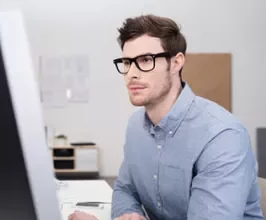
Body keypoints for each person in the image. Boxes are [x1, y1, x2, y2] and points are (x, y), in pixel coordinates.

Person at [68, 14, 264, 220]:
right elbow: (125, 189)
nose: (131, 73)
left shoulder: (222, 136)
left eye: (145, 60)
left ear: (176, 63)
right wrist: (129, 213)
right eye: (127, 62)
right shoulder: (135, 126)